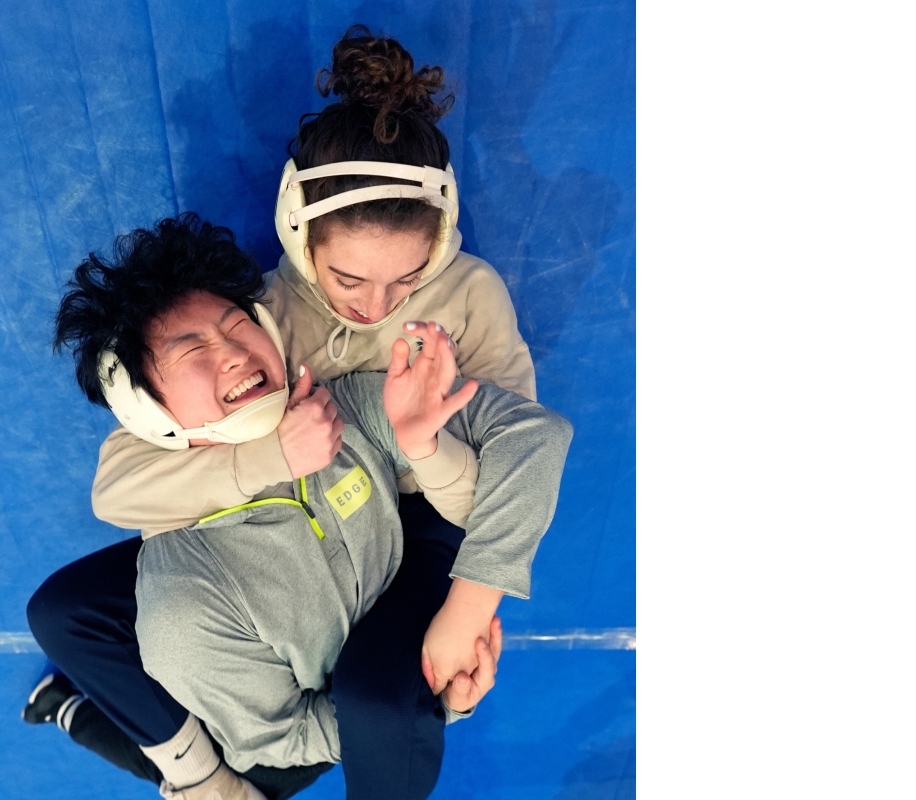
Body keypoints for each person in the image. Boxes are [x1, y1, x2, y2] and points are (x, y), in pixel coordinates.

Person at [27, 26, 550, 800]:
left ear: (440, 246)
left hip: (428, 517)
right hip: (302, 514)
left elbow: (517, 462)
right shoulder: (257, 319)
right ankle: (199, 778)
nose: (377, 308)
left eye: (408, 280)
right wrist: (274, 458)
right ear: (298, 236)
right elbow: (127, 480)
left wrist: (469, 610)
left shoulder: (469, 296)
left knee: (374, 699)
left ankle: (135, 743)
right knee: (67, 610)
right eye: (348, 280)